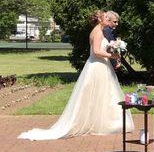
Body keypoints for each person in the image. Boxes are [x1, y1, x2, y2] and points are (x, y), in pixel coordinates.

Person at [18, 10, 134, 140]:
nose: (108, 19)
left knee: (103, 94)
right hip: (98, 66)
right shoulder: (98, 32)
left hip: (100, 65)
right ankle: (102, 124)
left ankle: (101, 122)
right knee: (100, 93)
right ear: (101, 20)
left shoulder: (98, 31)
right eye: (106, 17)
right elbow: (96, 51)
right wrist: (113, 55)